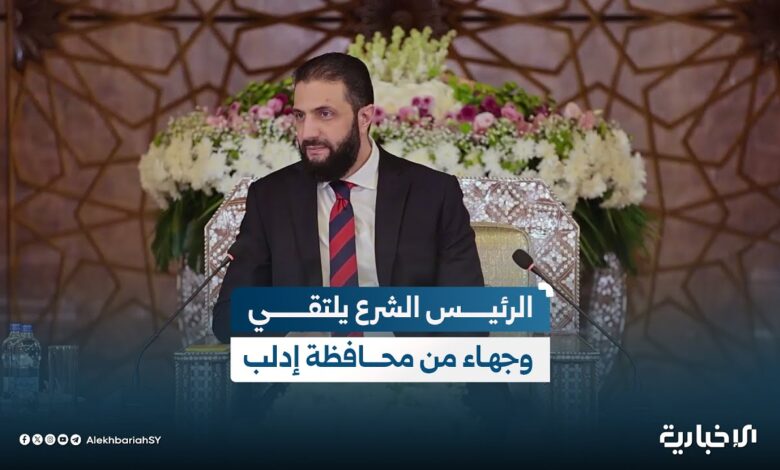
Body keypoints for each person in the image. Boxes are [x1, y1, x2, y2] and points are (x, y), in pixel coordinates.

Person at [211, 52, 484, 342]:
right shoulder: (271, 197)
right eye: (300, 116)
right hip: (303, 365)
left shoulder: (433, 194)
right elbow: (228, 319)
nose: (307, 132)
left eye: (325, 114)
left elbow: (467, 317)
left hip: (405, 366)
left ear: (364, 117)